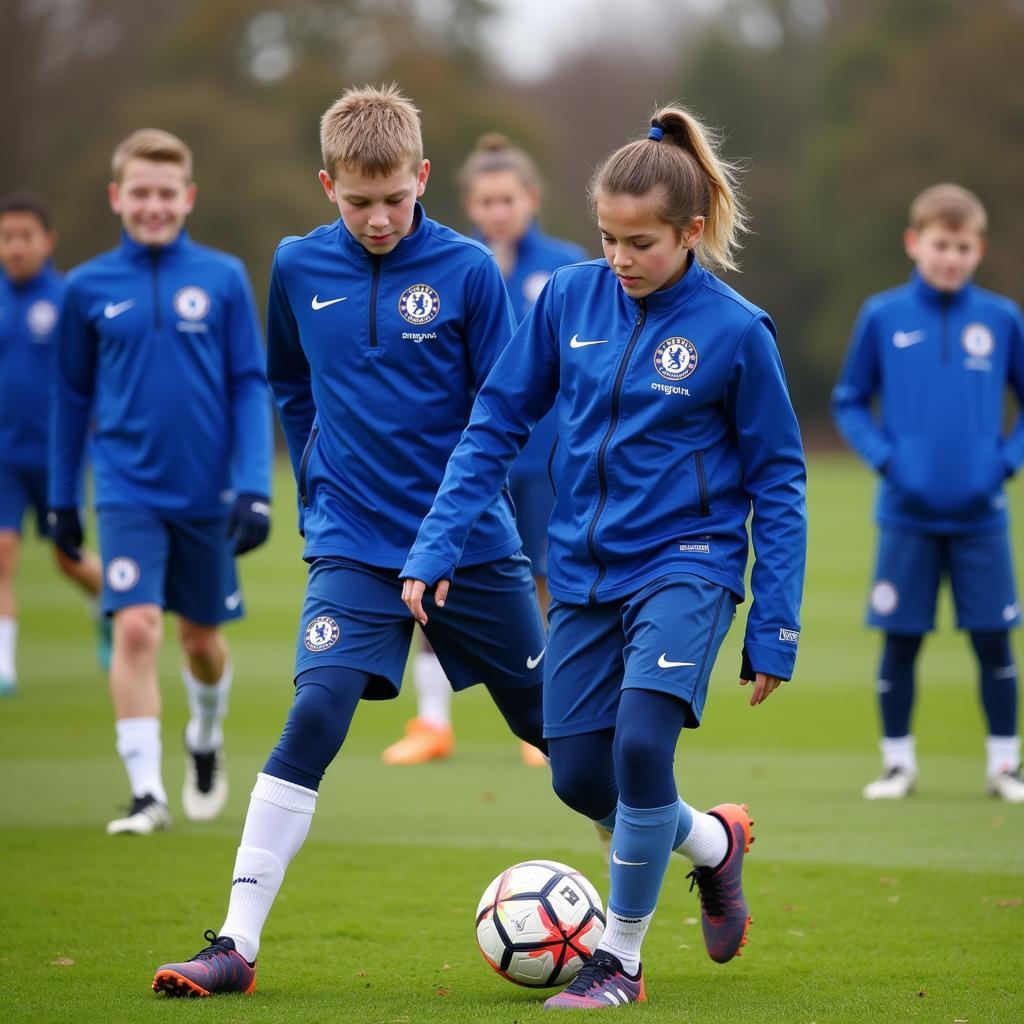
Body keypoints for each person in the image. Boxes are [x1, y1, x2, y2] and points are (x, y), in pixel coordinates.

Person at [401, 105, 807, 1010]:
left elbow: (780, 481)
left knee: (638, 747)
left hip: (688, 565)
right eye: (607, 240)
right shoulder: (566, 300)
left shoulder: (738, 332)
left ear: (690, 233)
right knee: (578, 773)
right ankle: (713, 845)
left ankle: (617, 962)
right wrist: (435, 546)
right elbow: (495, 423)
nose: (620, 260)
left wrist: (774, 623)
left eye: (641, 244)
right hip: (582, 572)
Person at [151, 84, 548, 998]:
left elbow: (505, 412)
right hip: (354, 545)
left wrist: (447, 534)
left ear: (423, 177)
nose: (377, 219)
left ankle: (701, 840)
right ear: (327, 184)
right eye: (357, 201)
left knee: (555, 731)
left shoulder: (470, 272)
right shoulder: (294, 266)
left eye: (394, 200)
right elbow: (289, 382)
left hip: (471, 545)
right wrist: (316, 480)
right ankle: (235, 946)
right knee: (316, 711)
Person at [48, 129, 273, 835]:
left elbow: (246, 385)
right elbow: (71, 398)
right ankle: (147, 793)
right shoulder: (86, 287)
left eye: (165, 193)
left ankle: (204, 736)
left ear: (188, 198)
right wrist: (61, 498)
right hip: (125, 492)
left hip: (207, 495)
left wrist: (251, 485)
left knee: (201, 643)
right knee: (137, 627)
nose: (152, 205)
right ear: (117, 197)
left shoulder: (223, 276)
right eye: (139, 193)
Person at [382, 133, 586, 768]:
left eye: (509, 199)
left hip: (549, 457)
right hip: (466, 464)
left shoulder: (569, 265)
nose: (498, 212)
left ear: (531, 198)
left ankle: (549, 715)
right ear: (470, 203)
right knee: (436, 582)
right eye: (486, 201)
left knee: (548, 581)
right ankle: (432, 722)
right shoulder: (458, 264)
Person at [833, 183, 1024, 803]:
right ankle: (898, 766)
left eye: (963, 246)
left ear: (979, 250)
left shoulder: (1001, 319)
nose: (951, 257)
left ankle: (1004, 767)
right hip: (906, 514)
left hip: (981, 516)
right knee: (902, 639)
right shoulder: (883, 315)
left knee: (993, 640)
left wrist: (1004, 463)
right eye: (941, 244)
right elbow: (850, 400)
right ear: (916, 243)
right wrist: (889, 459)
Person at [0, 193, 108, 696]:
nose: (16, 247)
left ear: (47, 242)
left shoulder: (67, 298)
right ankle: (4, 666)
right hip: (3, 457)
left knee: (68, 558)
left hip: (56, 457)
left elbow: (88, 377)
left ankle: (107, 607)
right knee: (3, 551)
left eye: (25, 237)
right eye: (7, 238)